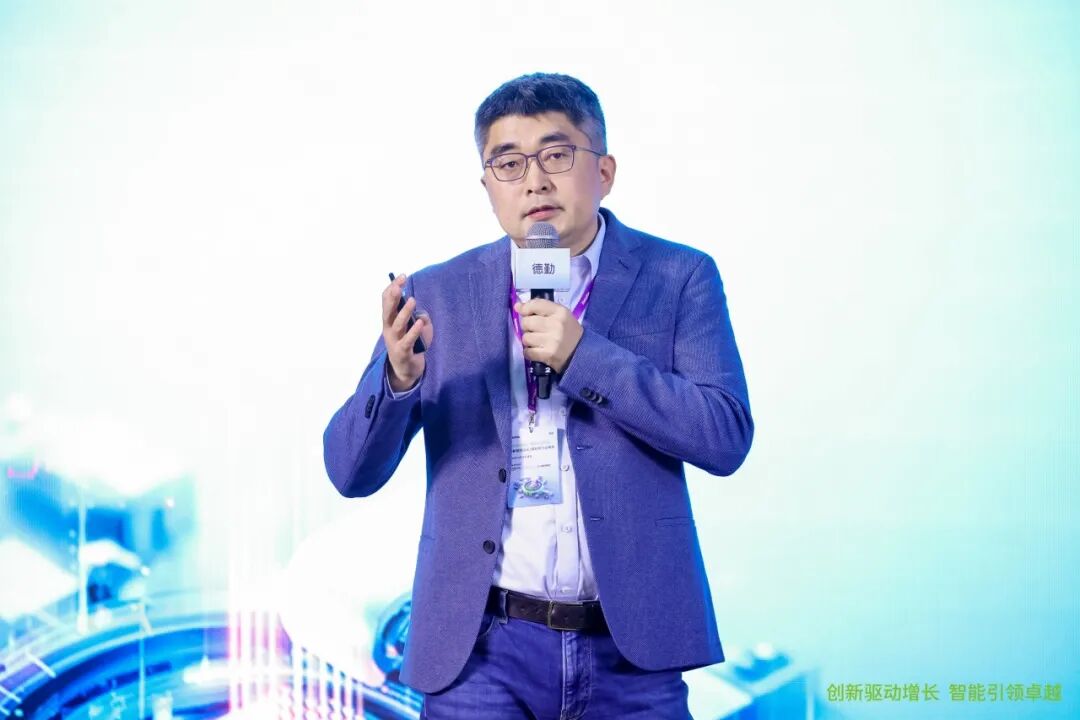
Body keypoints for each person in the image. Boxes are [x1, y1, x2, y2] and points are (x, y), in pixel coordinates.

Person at [323, 72, 754, 720]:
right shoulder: (439, 293)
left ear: (604, 171)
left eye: (556, 155)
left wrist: (585, 357)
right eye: (509, 162)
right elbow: (349, 472)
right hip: (479, 651)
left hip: (630, 652)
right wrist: (398, 381)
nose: (534, 180)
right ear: (488, 186)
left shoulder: (679, 276)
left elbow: (724, 436)